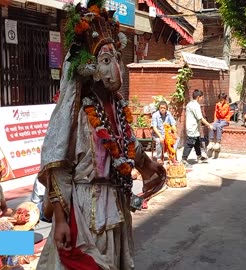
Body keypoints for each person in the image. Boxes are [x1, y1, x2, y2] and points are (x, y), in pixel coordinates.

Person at [36, 4, 166, 269]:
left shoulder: (118, 108)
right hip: (84, 210)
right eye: (106, 61)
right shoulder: (78, 112)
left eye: (116, 58)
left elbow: (126, 146)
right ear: (90, 68)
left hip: (116, 202)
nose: (115, 68)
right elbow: (58, 168)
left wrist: (147, 166)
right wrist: (60, 219)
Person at [181, 89, 213, 166]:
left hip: (192, 127)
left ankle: (199, 156)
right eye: (201, 97)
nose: (202, 99)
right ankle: (184, 159)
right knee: (190, 143)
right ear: (198, 97)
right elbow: (200, 118)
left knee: (197, 142)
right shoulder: (196, 105)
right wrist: (209, 125)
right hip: (193, 128)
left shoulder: (189, 104)